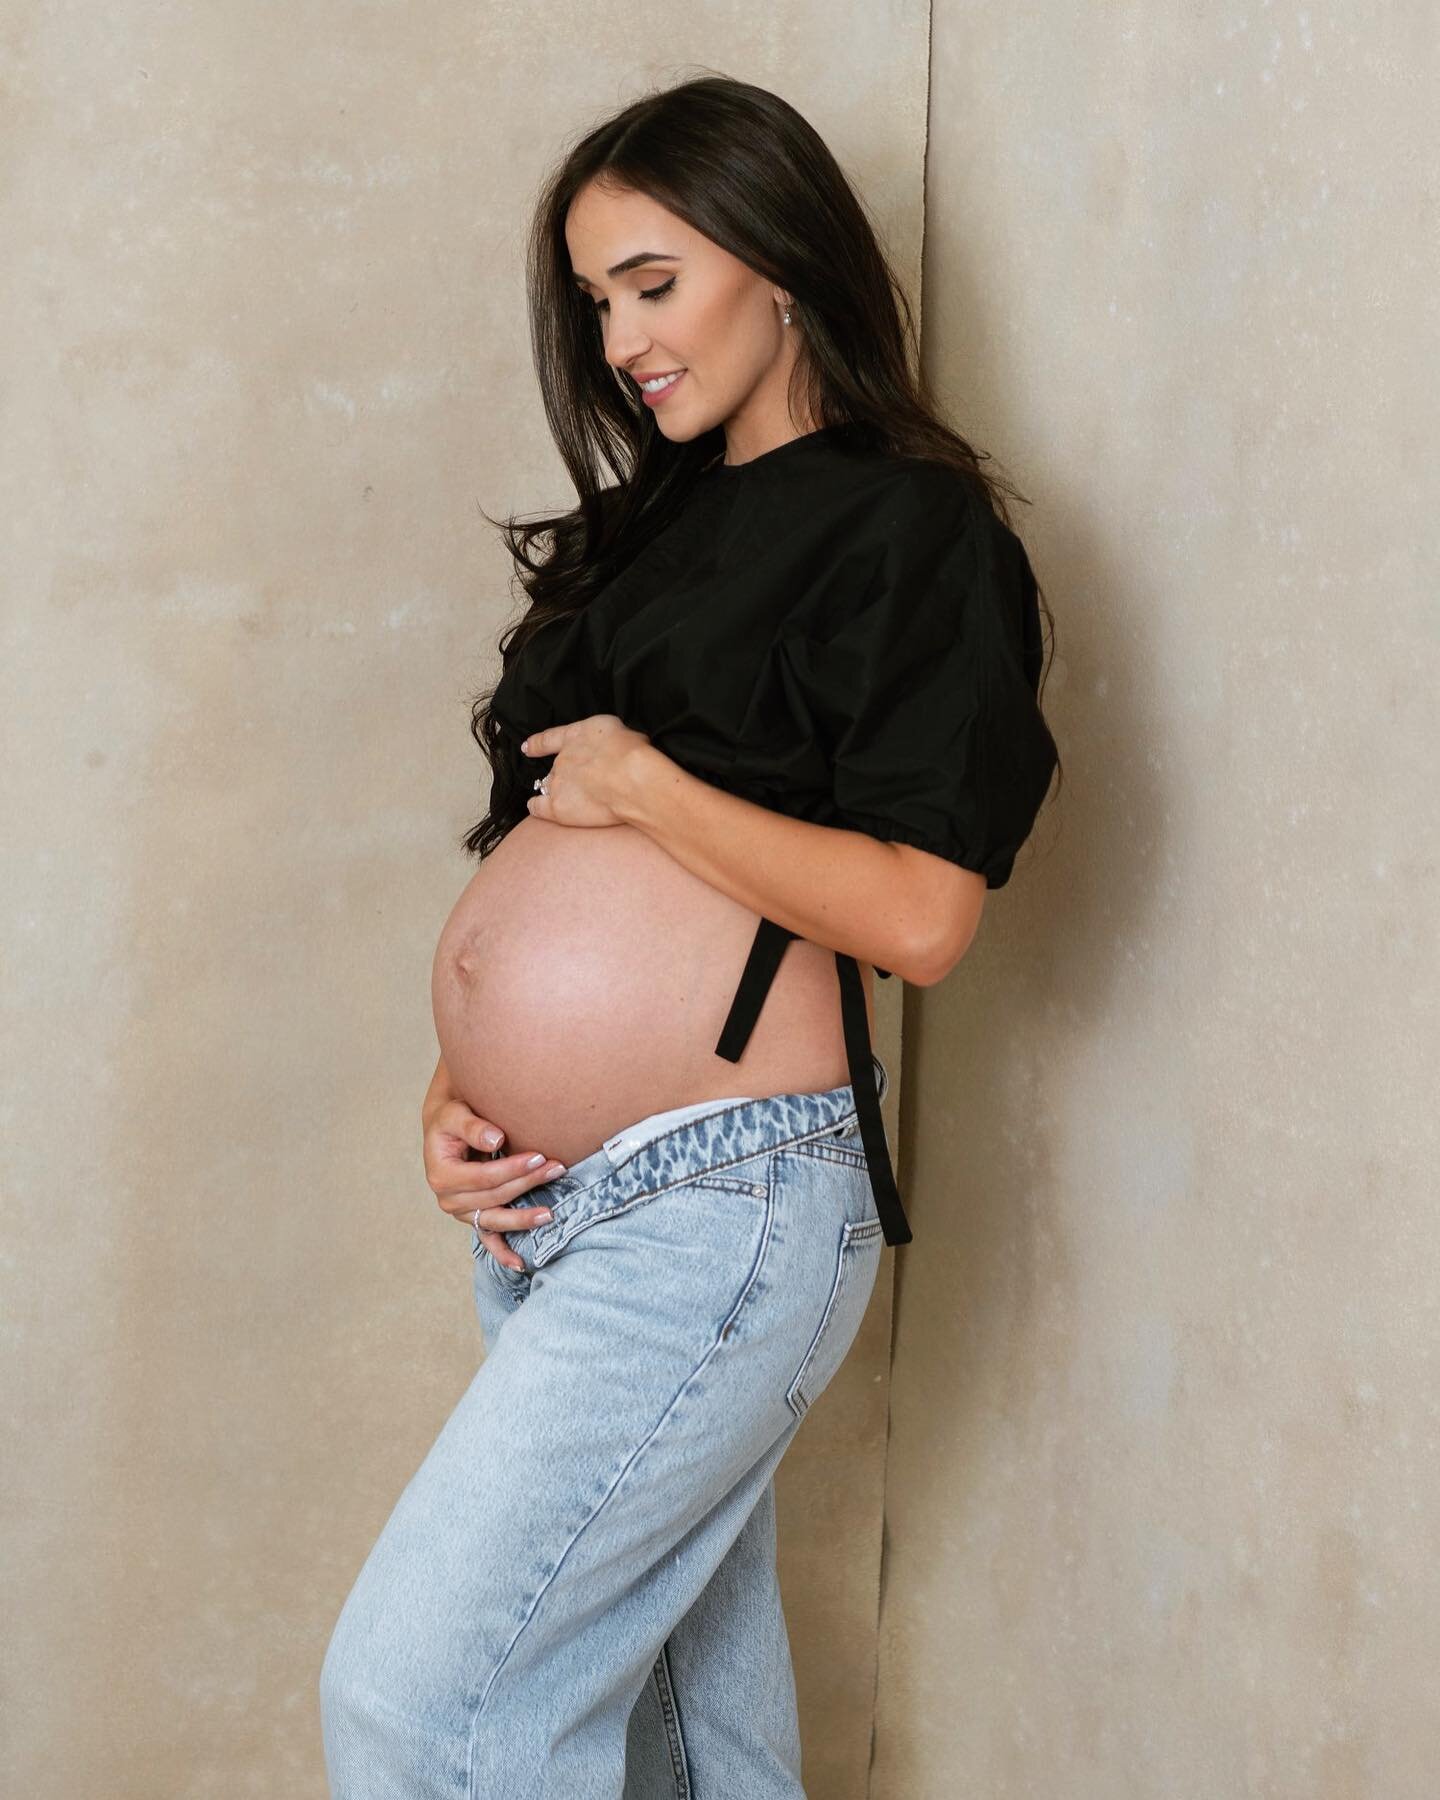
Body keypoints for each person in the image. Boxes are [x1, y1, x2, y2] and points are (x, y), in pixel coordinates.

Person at [320, 74, 1061, 1798]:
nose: (623, 338)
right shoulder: (647, 535)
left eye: (654, 282)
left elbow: (922, 915)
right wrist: (464, 1078)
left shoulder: (911, 530)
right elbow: (543, 840)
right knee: (682, 1744)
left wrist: (657, 791)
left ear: (780, 255)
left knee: (426, 1705)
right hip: (554, 1212)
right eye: (596, 302)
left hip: (724, 1202)